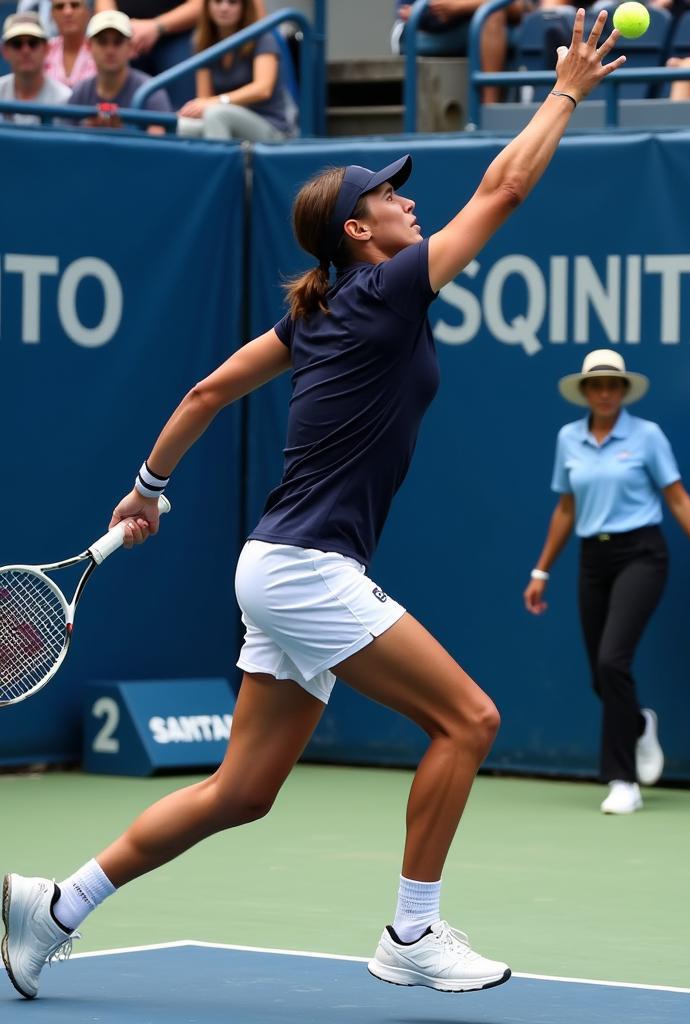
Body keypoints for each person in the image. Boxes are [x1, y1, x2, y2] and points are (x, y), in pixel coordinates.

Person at [1, 9, 624, 1003]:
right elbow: (504, 188)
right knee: (468, 719)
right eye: (389, 198)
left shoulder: (319, 313)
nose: (408, 207)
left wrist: (149, 488)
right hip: (304, 568)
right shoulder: (380, 297)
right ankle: (410, 931)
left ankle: (54, 907)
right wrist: (565, 92)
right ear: (355, 231)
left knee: (242, 790)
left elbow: (206, 393)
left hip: (277, 562)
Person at [524, 350, 690, 815]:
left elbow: (677, 499)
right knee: (602, 673)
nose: (603, 393)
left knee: (613, 661)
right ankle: (638, 725)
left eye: (612, 385)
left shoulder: (647, 436)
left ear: (623, 391)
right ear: (584, 392)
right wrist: (542, 570)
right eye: (595, 386)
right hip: (591, 559)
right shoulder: (568, 439)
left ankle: (624, 780)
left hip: (641, 554)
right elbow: (565, 508)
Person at [177, 0, 296, 142]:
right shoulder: (202, 41)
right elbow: (204, 99)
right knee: (182, 126)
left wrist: (219, 101)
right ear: (207, 6)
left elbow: (263, 89)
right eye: (217, 1)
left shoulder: (263, 37)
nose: (224, 8)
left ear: (244, 8)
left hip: (272, 127)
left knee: (217, 114)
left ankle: (221, 164)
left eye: (232, 2)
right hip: (223, 118)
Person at [392, 0, 528, 104]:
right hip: (424, 34)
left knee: (493, 16)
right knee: (492, 15)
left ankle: (489, 109)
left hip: (480, 28)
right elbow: (413, 13)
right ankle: (488, 109)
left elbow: (518, 8)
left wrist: (460, 6)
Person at [67, 10, 172, 133]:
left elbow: (159, 146)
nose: (110, 50)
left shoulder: (152, 93)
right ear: (89, 46)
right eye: (102, 41)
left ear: (130, 46)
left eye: (117, 42)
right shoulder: (80, 92)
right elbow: (65, 145)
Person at [93, 0, 203, 107]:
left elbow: (200, 5)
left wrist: (157, 26)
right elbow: (104, 4)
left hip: (177, 36)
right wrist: (116, 28)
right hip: (124, 37)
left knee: (183, 106)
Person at [0, 12, 71, 124]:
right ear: (4, 51)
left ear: (47, 48)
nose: (26, 50)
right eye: (17, 44)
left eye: (33, 43)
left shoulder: (65, 99)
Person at [44, 0, 98, 89]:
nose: (67, 12)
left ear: (88, 12)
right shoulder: (40, 50)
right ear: (51, 15)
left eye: (75, 5)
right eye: (60, 6)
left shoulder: (102, 50)